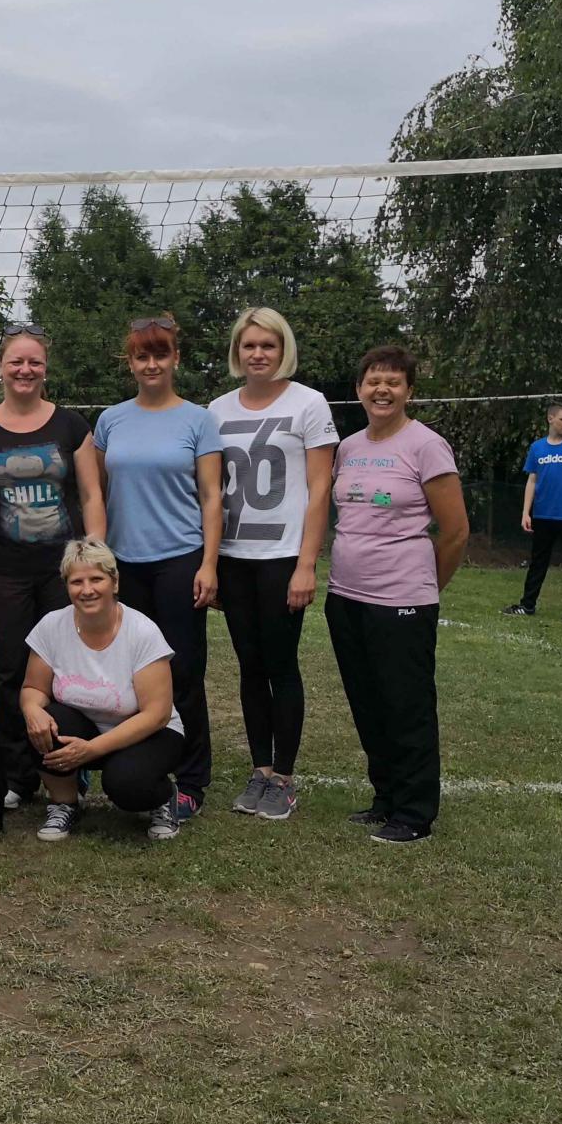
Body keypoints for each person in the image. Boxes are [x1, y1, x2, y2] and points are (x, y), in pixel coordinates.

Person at [0, 323, 103, 812]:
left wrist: (94, 556)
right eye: (16, 361)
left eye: (34, 361)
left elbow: (91, 495)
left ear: (45, 368)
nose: (25, 369)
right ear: (0, 367)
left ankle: (69, 766)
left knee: (68, 668)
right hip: (4, 570)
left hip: (64, 571)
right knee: (10, 671)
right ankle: (17, 773)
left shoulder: (72, 426)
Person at [325, 345, 469, 846]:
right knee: (368, 703)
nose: (382, 390)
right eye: (373, 381)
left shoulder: (426, 445)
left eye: (393, 382)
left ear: (409, 391)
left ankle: (414, 811)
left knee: (406, 706)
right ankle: (385, 796)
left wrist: (424, 586)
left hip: (402, 599)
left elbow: (455, 532)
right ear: (359, 389)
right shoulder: (348, 447)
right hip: (345, 595)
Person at [93, 314, 223, 830]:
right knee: (130, 674)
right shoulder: (111, 420)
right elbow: (97, 494)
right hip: (124, 565)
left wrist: (209, 562)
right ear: (130, 363)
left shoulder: (198, 420)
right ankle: (138, 766)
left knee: (183, 672)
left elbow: (211, 497)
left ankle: (191, 781)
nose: (152, 364)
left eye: (160, 354)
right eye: (142, 356)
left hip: (180, 560)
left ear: (176, 359)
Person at [207, 308, 338, 821]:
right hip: (234, 557)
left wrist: (307, 563)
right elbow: (210, 491)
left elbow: (320, 488)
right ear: (236, 352)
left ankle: (283, 776)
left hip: (282, 557)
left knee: (281, 664)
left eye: (268, 345)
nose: (258, 354)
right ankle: (260, 768)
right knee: (249, 665)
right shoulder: (216, 410)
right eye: (249, 345)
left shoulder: (309, 403)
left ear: (284, 350)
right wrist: (211, 562)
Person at [20, 538, 184, 842]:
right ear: (66, 586)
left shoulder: (142, 631)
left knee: (125, 784)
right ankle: (65, 803)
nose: (87, 590)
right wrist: (31, 709)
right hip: (85, 725)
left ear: (115, 582)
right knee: (42, 721)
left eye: (96, 579)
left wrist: (92, 749)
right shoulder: (51, 626)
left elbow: (157, 714)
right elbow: (33, 688)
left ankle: (162, 797)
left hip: (148, 732)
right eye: (77, 582)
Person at [502, 401, 562, 622]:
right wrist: (526, 512)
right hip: (543, 515)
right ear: (550, 419)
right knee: (538, 563)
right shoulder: (537, 448)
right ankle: (527, 605)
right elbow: (532, 481)